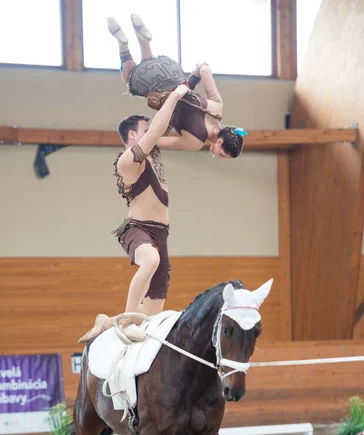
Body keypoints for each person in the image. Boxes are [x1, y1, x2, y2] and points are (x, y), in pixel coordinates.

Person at [78, 84, 189, 344]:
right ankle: (125, 322)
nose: (152, 133)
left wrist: (190, 84)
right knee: (149, 260)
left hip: (162, 235)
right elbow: (158, 129)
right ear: (132, 136)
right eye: (145, 130)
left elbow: (191, 142)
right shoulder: (127, 161)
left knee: (151, 315)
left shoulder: (155, 152)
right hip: (137, 228)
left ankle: (107, 322)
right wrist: (173, 95)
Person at [107, 14, 247, 159]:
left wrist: (189, 84)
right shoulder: (195, 142)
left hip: (172, 71)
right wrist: (134, 144)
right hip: (159, 92)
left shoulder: (217, 109)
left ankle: (143, 39)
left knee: (148, 66)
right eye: (222, 155)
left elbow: (204, 69)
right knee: (130, 79)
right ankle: (123, 45)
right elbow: (156, 140)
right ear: (219, 141)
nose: (219, 157)